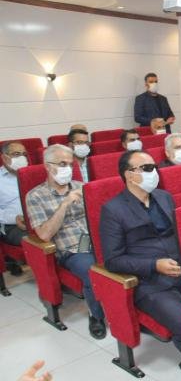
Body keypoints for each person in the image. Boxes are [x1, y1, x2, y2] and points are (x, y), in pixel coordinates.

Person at [100, 151, 181, 380]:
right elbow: (112, 260)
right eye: (147, 169)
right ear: (129, 174)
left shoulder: (164, 197)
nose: (154, 172)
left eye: (154, 167)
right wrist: (154, 265)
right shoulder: (113, 209)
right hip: (149, 280)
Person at [25, 144, 106, 338]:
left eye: (70, 164)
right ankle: (96, 315)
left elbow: (100, 216)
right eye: (62, 164)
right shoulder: (35, 196)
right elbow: (44, 234)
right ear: (47, 166)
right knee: (92, 270)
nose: (68, 168)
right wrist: (65, 204)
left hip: (97, 240)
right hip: (71, 249)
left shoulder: (82, 187)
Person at [0, 141, 28, 275]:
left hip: (37, 219)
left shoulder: (33, 174)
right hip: (12, 226)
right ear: (4, 157)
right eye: (16, 154)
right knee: (39, 240)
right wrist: (14, 218)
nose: (22, 158)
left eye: (24, 154)